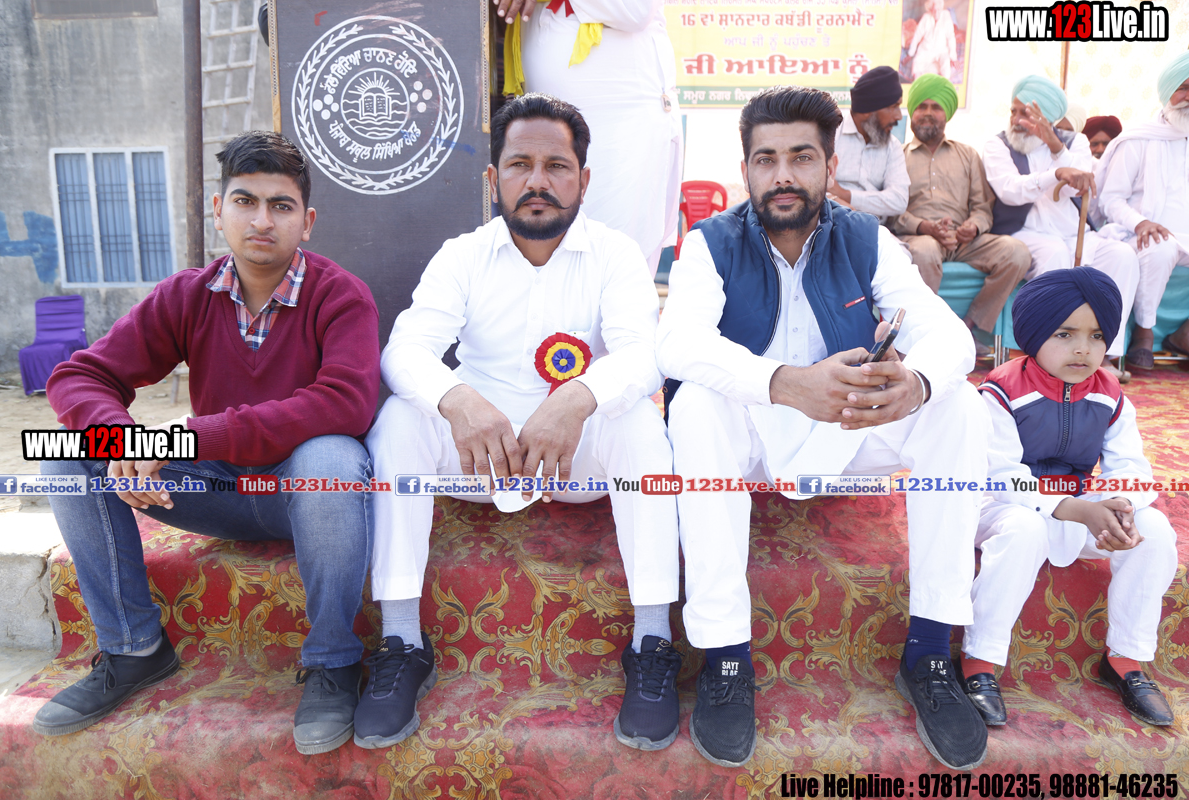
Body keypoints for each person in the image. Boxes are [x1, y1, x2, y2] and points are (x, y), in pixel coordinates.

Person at [657, 85, 990, 771]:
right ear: (745, 169)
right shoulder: (709, 243)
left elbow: (949, 336)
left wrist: (916, 383)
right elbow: (678, 343)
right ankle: (725, 655)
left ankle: (930, 651)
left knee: (958, 404)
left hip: (847, 425)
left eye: (801, 157)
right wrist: (786, 384)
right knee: (694, 405)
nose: (783, 175)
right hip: (753, 430)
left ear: (830, 166)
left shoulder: (866, 238)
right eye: (766, 159)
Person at [33, 132, 381, 756]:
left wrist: (185, 436)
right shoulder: (187, 295)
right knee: (65, 454)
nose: (261, 220)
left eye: (280, 206)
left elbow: (345, 403)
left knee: (332, 454)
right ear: (218, 211)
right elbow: (80, 376)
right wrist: (122, 439)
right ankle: (133, 648)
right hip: (210, 488)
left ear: (307, 222)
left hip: (303, 494)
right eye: (245, 201)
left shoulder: (340, 295)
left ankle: (333, 661)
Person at [358, 94, 681, 751]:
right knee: (398, 421)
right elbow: (405, 350)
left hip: (577, 455)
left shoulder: (615, 254)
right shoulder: (462, 255)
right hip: (480, 455)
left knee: (642, 428)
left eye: (556, 166)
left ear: (583, 179)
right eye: (519, 165)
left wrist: (578, 397)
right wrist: (458, 400)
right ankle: (400, 640)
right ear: (493, 178)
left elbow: (645, 355)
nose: (538, 181)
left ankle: (652, 643)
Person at [961, 267, 1176, 728]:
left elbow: (1132, 468)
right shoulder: (999, 391)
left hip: (1080, 508)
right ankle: (980, 662)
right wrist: (1077, 509)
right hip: (1001, 506)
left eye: (1097, 335)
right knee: (1024, 529)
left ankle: (1126, 660)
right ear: (1034, 334)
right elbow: (1001, 475)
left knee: (1154, 529)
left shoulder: (1111, 394)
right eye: (1065, 334)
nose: (1083, 349)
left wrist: (1121, 506)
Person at [497, 0, 681, 276]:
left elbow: (636, 10)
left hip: (619, 130)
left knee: (611, 261)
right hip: (550, 138)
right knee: (555, 261)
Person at [983, 75, 1139, 379]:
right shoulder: (997, 144)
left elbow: (1077, 186)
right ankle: (1047, 355)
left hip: (1074, 233)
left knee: (1122, 256)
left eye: (1026, 113)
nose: (1016, 120)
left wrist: (1055, 146)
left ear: (1048, 117)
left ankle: (1105, 354)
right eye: (1013, 111)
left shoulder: (1074, 142)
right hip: (1026, 233)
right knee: (1055, 254)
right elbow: (1009, 190)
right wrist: (1055, 174)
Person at [892, 74, 1030, 358]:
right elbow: (891, 212)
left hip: (964, 241)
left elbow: (983, 207)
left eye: (936, 107)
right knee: (925, 252)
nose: (928, 113)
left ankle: (969, 328)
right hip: (919, 237)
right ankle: (923, 336)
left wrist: (973, 227)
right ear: (912, 112)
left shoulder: (967, 155)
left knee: (1017, 252)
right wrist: (925, 227)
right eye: (921, 106)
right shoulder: (897, 156)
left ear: (947, 114)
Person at [1094, 53, 1189, 367]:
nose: (1188, 97)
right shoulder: (1138, 139)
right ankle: (1144, 335)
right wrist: (1140, 222)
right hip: (1142, 235)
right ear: (1167, 91)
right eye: (1183, 88)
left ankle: (1184, 335)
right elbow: (1111, 200)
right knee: (1160, 247)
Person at [829, 66, 909, 223]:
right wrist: (834, 199)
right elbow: (815, 188)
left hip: (877, 229)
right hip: (831, 224)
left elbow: (899, 200)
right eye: (893, 107)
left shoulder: (892, 146)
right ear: (867, 110)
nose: (899, 116)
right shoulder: (830, 134)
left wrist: (846, 195)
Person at [907, 0, 957, 81]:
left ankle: (943, 83)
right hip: (926, 49)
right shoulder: (926, 17)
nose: (936, 13)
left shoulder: (946, 16)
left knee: (946, 65)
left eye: (938, 10)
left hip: (941, 50)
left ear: (941, 8)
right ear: (930, 10)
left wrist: (953, 58)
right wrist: (910, 53)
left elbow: (951, 37)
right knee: (916, 64)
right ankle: (920, 82)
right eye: (934, 10)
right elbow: (917, 35)